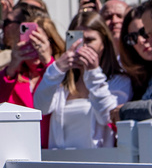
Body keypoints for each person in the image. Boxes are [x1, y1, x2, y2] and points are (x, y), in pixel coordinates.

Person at [34, 11, 131, 149]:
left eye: (89, 40)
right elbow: (40, 108)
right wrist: (56, 70)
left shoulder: (119, 81)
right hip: (61, 162)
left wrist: (93, 73)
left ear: (103, 44)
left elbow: (108, 117)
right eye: (76, 40)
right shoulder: (63, 82)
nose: (82, 47)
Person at [0, 6, 64, 146]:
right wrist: (11, 68)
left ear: (52, 43)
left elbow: (64, 91)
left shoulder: (61, 72)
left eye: (39, 42)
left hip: (54, 153)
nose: (34, 47)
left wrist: (48, 62)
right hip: (18, 149)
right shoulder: (12, 78)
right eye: (28, 42)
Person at [115, 5, 152, 121]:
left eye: (145, 32)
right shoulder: (137, 81)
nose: (141, 40)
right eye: (132, 37)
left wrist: (127, 111)